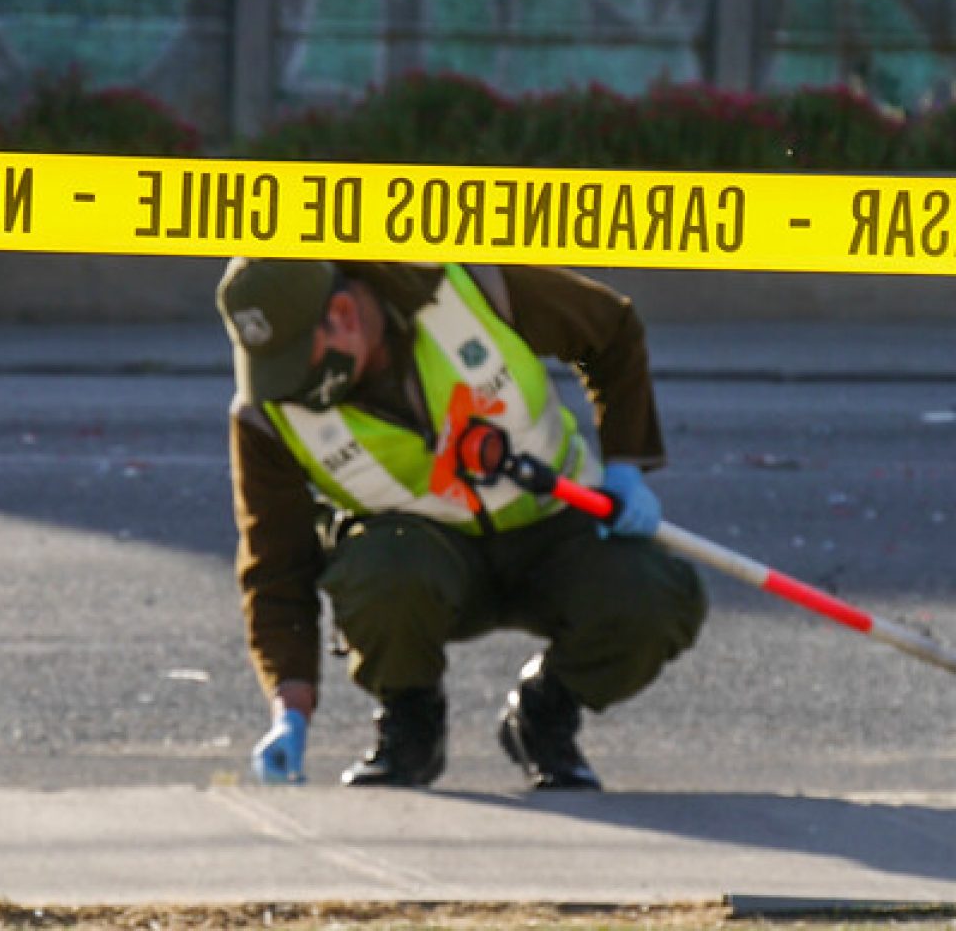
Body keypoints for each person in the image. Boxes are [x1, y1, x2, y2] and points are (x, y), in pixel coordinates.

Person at [216, 259, 706, 789]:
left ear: (343, 314)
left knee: (656, 598)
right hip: (422, 560)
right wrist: (289, 710)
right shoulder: (267, 416)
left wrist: (626, 466)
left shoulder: (471, 290)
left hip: (556, 531)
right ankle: (411, 726)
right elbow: (276, 568)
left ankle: (544, 715)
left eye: (297, 363)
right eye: (272, 370)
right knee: (377, 571)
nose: (290, 388)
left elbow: (610, 328)